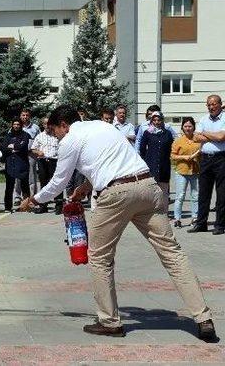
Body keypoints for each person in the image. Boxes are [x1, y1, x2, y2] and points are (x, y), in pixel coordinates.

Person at [20, 105, 216, 343]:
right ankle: (203, 318)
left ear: (64, 124)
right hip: (147, 187)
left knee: (100, 258)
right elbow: (111, 161)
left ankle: (109, 321)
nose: (56, 136)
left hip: (115, 195)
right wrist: (87, 185)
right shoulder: (104, 127)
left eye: (54, 130)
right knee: (172, 254)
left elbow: (58, 182)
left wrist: (34, 200)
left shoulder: (70, 139)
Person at [189, 95, 225, 235]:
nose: (211, 107)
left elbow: (222, 137)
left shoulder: (224, 118)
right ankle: (201, 223)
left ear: (220, 104)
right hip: (205, 159)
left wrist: (204, 133)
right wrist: (214, 135)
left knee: (222, 193)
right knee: (203, 192)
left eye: (214, 104)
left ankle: (220, 225)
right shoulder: (204, 119)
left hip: (221, 159)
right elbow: (196, 137)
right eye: (208, 105)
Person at [139, 112, 174, 211]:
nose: (157, 122)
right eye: (154, 120)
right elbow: (142, 148)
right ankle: (151, 211)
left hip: (164, 165)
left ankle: (164, 212)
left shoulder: (167, 133)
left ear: (162, 121)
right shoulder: (147, 133)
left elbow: (172, 147)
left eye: (159, 120)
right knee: (151, 189)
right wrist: (146, 159)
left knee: (164, 190)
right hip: (151, 164)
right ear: (151, 121)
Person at [171, 117, 200, 228]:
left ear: (193, 127)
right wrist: (185, 157)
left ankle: (195, 217)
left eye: (190, 126)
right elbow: (173, 155)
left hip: (195, 171)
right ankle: (177, 219)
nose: (188, 128)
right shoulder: (178, 141)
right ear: (182, 127)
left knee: (195, 196)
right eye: (186, 126)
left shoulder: (198, 140)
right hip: (181, 171)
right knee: (180, 196)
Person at [31, 117, 62, 215]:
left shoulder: (57, 135)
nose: (47, 126)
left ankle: (59, 205)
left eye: (49, 123)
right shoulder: (39, 136)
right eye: (45, 124)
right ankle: (43, 205)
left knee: (57, 182)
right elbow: (33, 149)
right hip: (43, 161)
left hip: (55, 161)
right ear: (43, 125)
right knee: (44, 183)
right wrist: (38, 152)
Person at [2, 116, 31, 212]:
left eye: (18, 124)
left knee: (25, 186)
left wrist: (13, 146)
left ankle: (26, 206)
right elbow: (4, 149)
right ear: (12, 125)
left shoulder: (25, 135)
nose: (16, 126)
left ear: (21, 125)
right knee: (9, 186)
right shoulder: (8, 136)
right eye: (14, 124)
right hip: (10, 163)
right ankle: (7, 207)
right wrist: (13, 149)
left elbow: (23, 147)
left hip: (22, 163)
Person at [14, 109, 40, 204]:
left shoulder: (35, 128)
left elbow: (39, 140)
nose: (25, 117)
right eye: (23, 115)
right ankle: (17, 196)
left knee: (31, 175)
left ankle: (33, 196)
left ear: (30, 116)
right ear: (20, 116)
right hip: (19, 155)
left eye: (27, 115)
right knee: (18, 175)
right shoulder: (16, 126)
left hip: (31, 155)